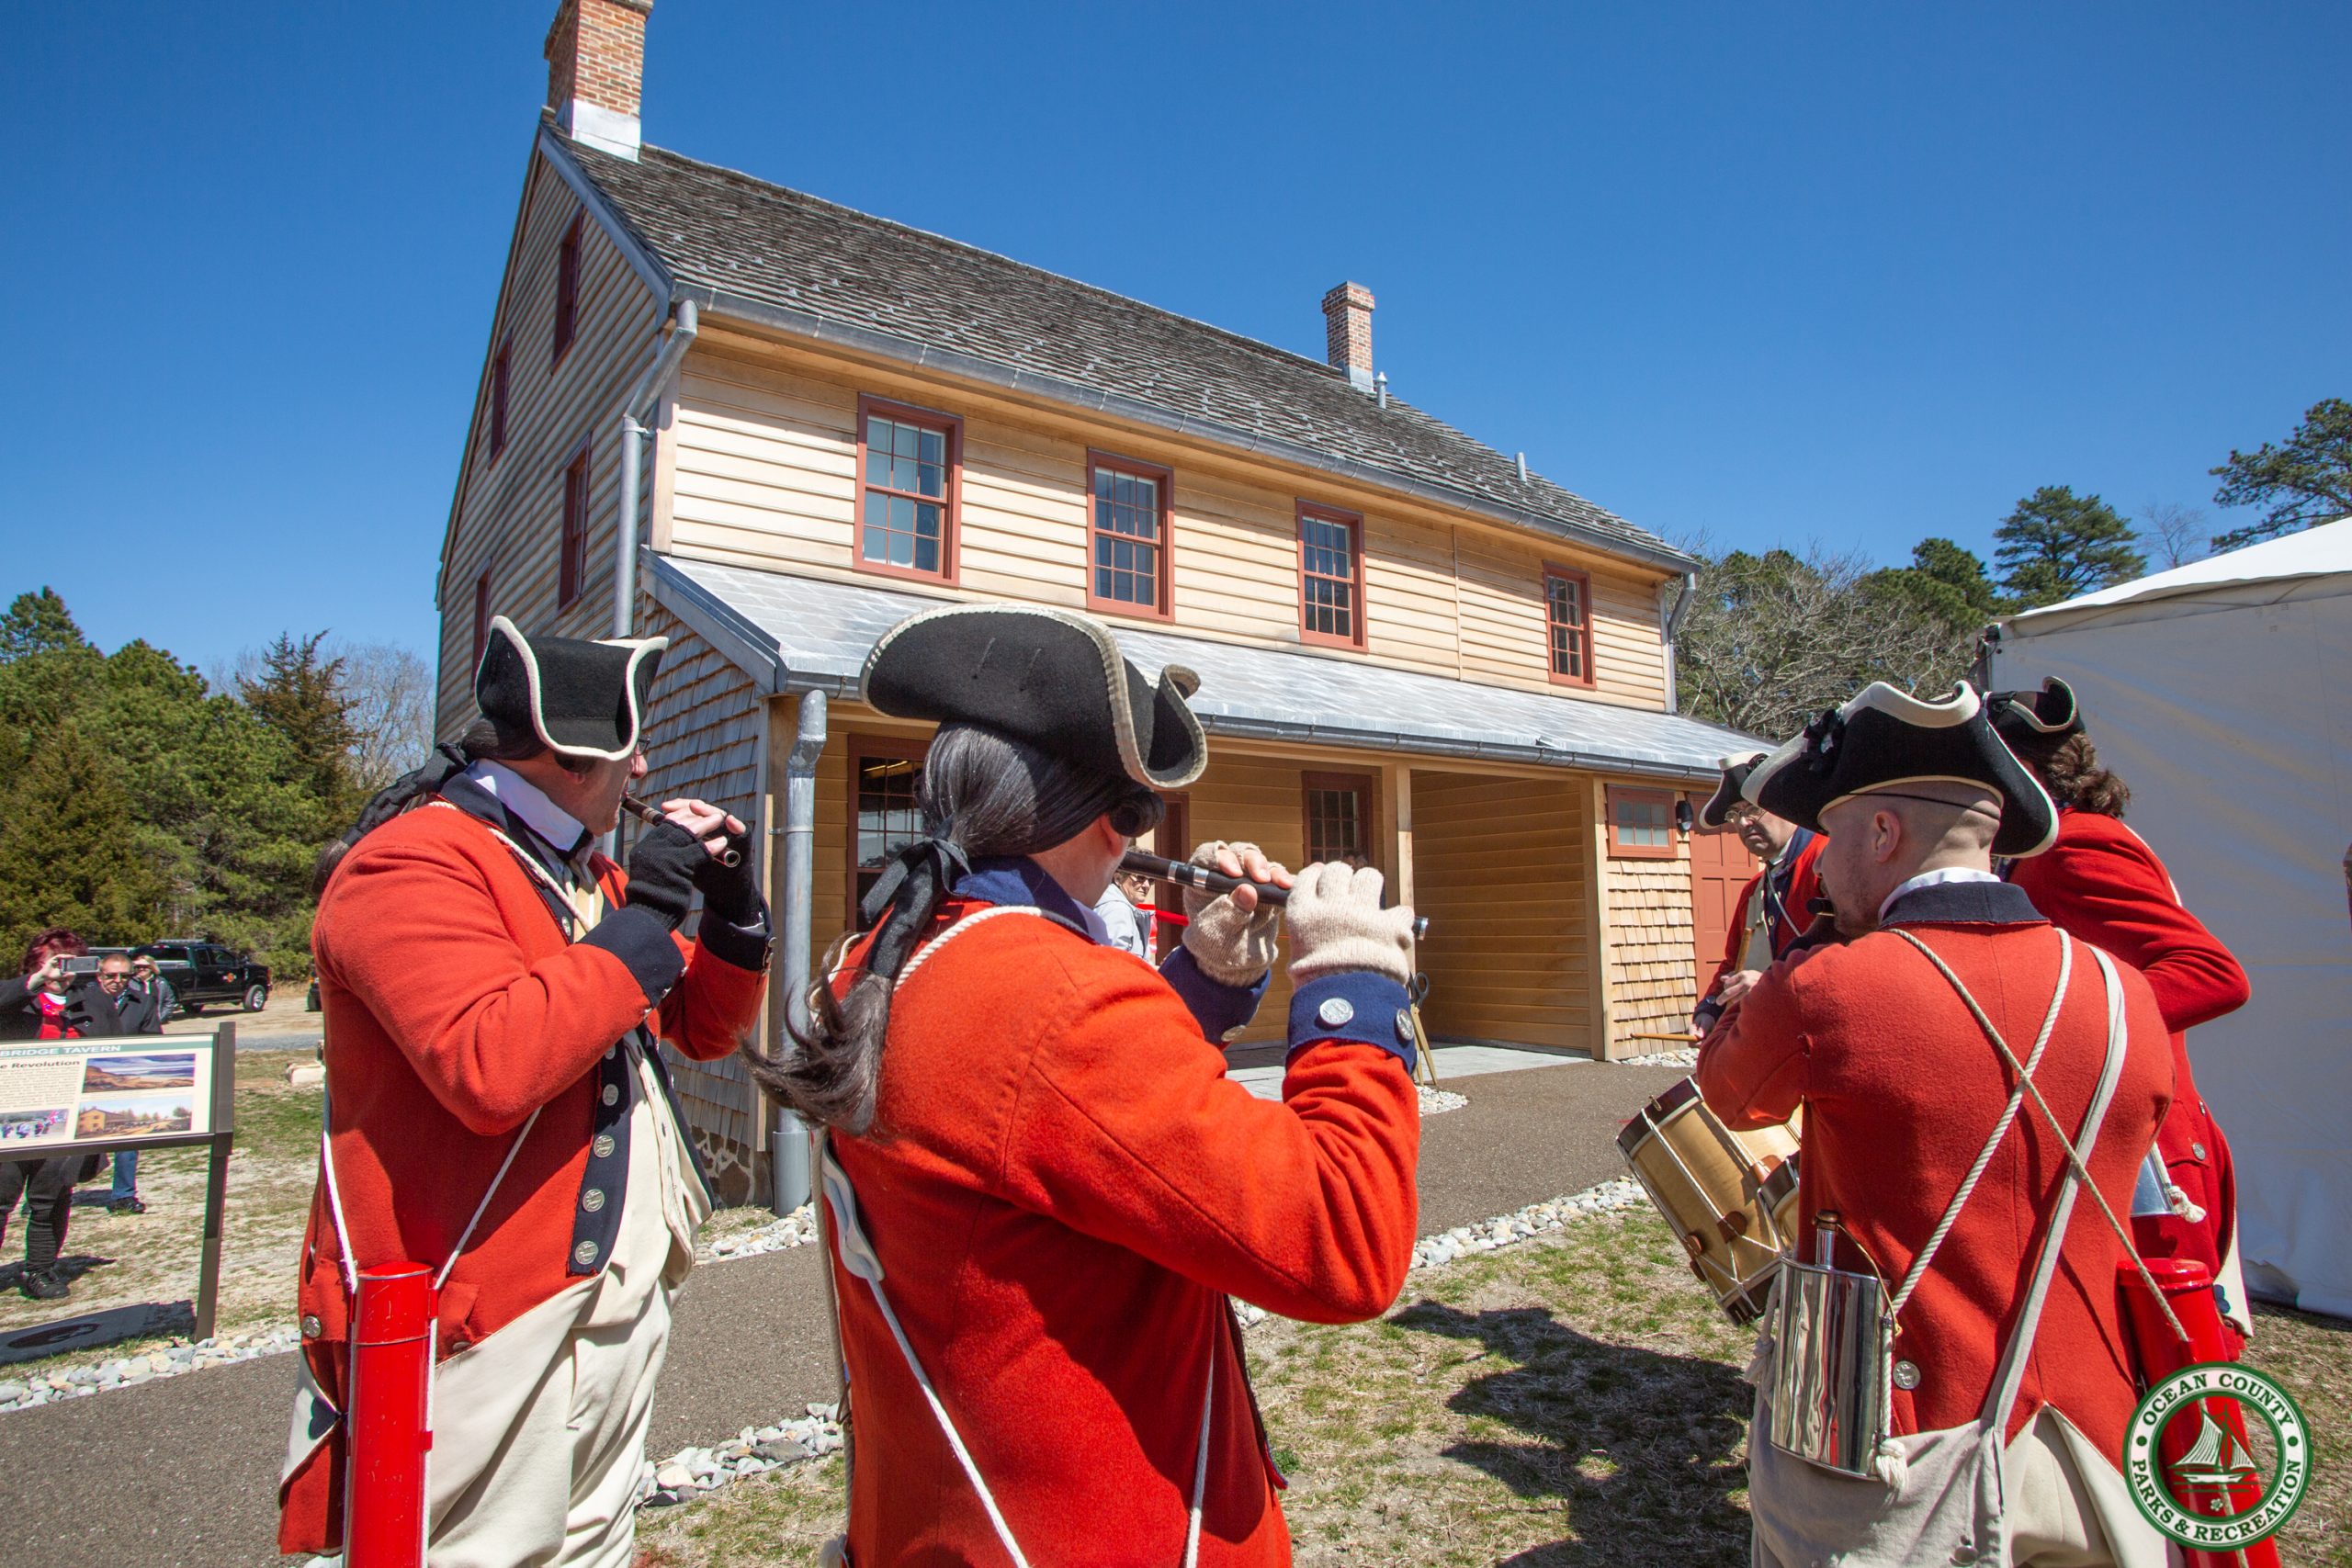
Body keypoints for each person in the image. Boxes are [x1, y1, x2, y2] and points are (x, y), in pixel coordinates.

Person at [752, 604, 1421, 1567]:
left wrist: (1204, 979)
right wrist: (1350, 987)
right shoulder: (1058, 996)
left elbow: (1060, 1127)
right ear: (1116, 820)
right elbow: (1343, 1241)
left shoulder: (891, 954)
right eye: (1139, 809)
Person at [277, 616, 772, 1567]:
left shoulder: (579, 871)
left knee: (596, 1544)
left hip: (612, 1298)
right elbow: (492, 1064)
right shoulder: (413, 861)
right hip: (488, 1322)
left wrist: (732, 913)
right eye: (628, 747)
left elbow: (700, 1028)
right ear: (571, 752)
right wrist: (649, 910)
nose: (642, 768)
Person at [1699, 682, 2172, 1567]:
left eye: (1835, 835)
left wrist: (1788, 971)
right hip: (2096, 1438)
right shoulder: (2125, 994)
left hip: (1897, 1433)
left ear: (1882, 833)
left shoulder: (1827, 987)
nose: (1822, 867)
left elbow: (1728, 1096)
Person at [1989, 677, 2255, 1343]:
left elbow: (2212, 974)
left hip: (2149, 1158)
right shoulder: (2056, 848)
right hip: (2119, 1142)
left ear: (2021, 772)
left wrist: (2057, 1027)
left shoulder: (2075, 847)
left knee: (2176, 1379)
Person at [0, 931, 120, 1299]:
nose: (61, 971)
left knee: (49, 1199)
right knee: (1, 1198)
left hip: (66, 1120)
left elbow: (117, 1053)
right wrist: (36, 981)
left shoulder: (94, 1002)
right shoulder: (16, 997)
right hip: (11, 1117)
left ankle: (40, 1269)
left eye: (70, 962)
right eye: (53, 962)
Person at [1690, 750, 1826, 1034]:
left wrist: (1770, 983)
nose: (1742, 823)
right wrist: (1711, 1009)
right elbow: (1733, 962)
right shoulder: (1754, 891)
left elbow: (1857, 951)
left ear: (1786, 805)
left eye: (1752, 809)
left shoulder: (1828, 863)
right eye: (1734, 814)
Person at [85, 951, 170, 1213]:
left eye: (124, 976)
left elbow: (152, 1038)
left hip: (124, 1078)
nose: (117, 981)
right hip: (89, 1076)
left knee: (128, 1138)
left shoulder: (142, 1001)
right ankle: (52, 1191)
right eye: (111, 975)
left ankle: (123, 1194)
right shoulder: (83, 999)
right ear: (100, 975)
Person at [1091, 858, 1151, 958]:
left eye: (1151, 880)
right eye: (1140, 878)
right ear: (1118, 879)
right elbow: (1113, 960)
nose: (1147, 885)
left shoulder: (1116, 906)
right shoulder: (1118, 910)